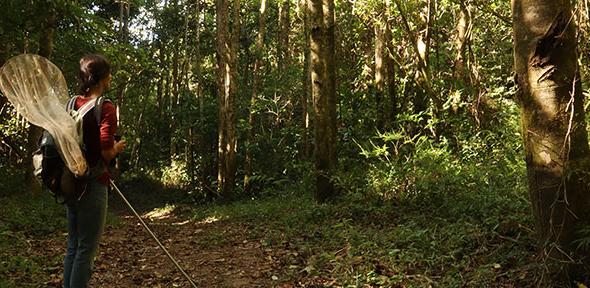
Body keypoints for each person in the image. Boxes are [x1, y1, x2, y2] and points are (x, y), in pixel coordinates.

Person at [63, 54, 126, 288]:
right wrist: (117, 147)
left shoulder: (71, 103)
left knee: (74, 245)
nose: (110, 78)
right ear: (101, 78)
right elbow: (106, 152)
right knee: (87, 249)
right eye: (108, 73)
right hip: (93, 183)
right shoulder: (106, 107)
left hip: (70, 181)